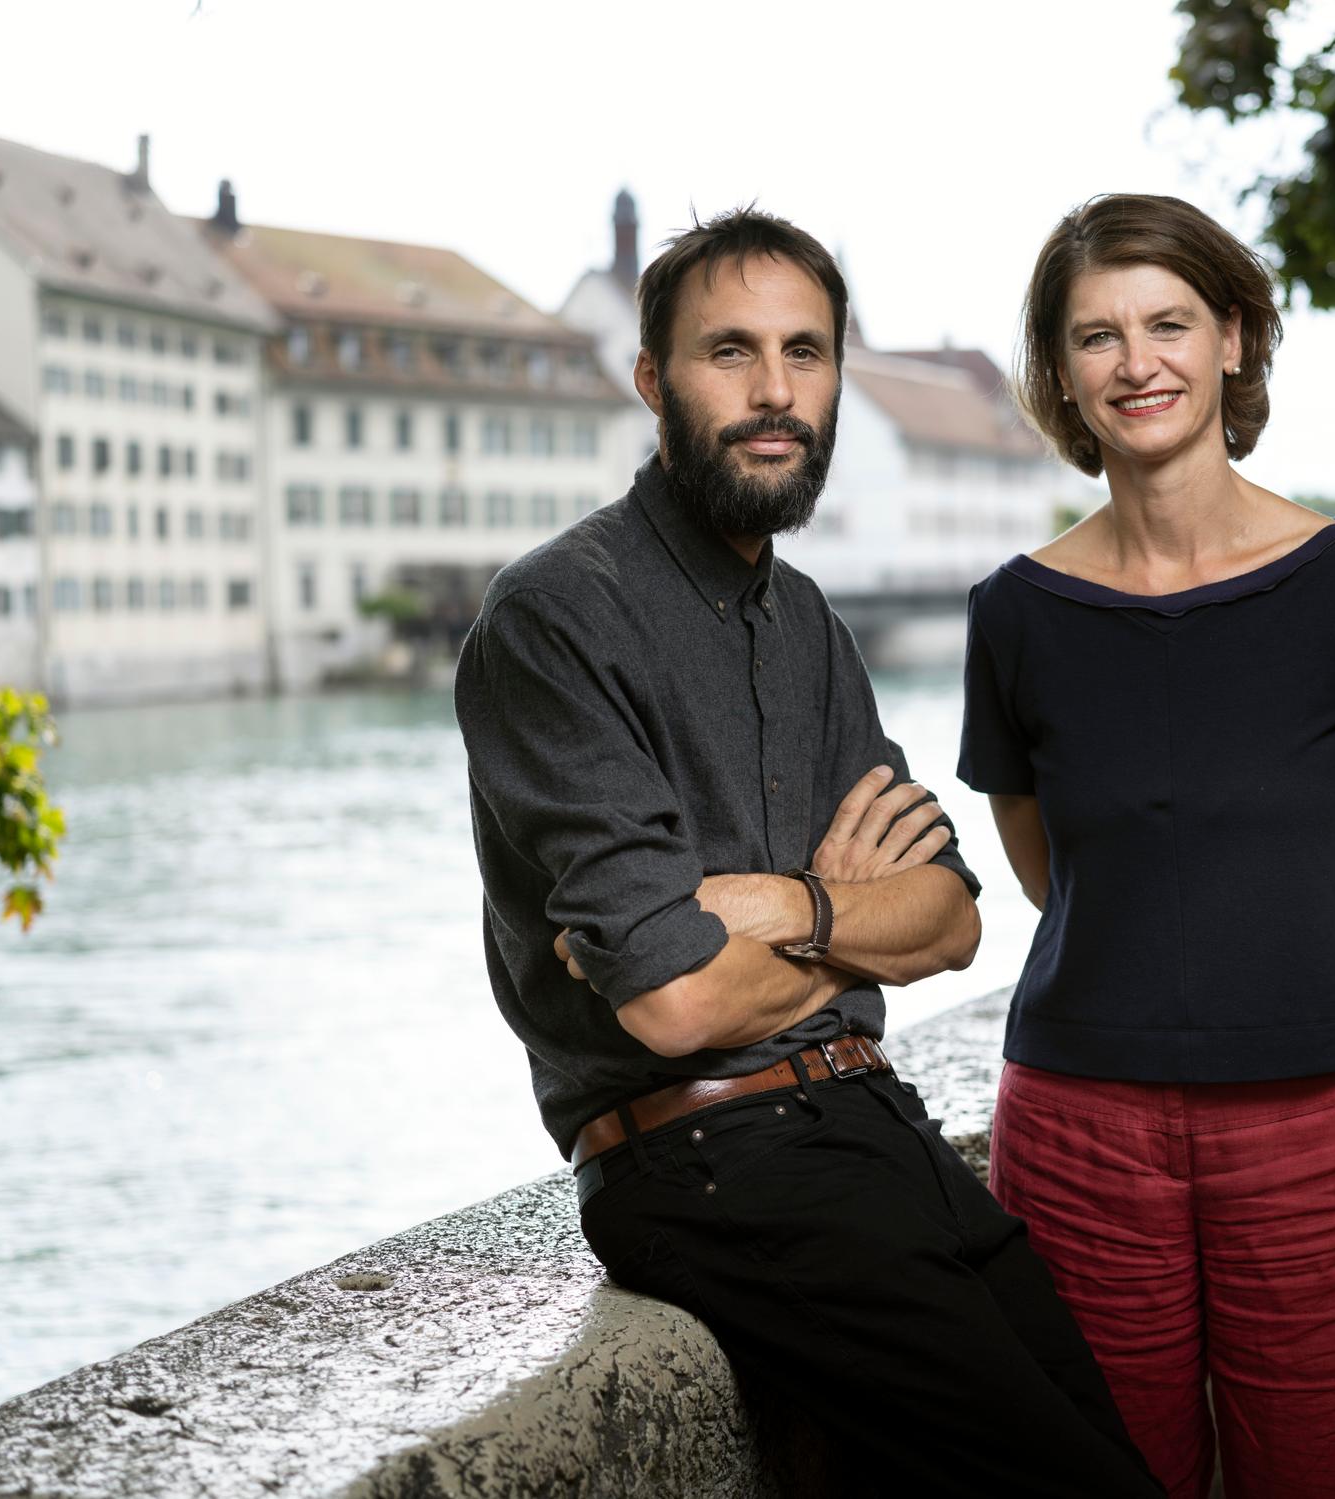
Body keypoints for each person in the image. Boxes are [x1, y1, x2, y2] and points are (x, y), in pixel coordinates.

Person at [455, 208, 1157, 1496]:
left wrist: (784, 901)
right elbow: (671, 999)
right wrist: (845, 921)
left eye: (806, 352)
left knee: (1123, 1460)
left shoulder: (805, 621)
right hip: (707, 1162)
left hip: (869, 1123)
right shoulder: (556, 617)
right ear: (652, 380)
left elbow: (951, 915)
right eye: (732, 352)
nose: (776, 391)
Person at [960, 192, 1335, 1499]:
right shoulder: (1014, 612)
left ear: (1233, 339)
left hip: (1327, 1119)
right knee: (1104, 1475)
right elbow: (1045, 867)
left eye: (1170, 322)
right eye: (1098, 337)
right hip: (1077, 1125)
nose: (1139, 363)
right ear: (1063, 378)